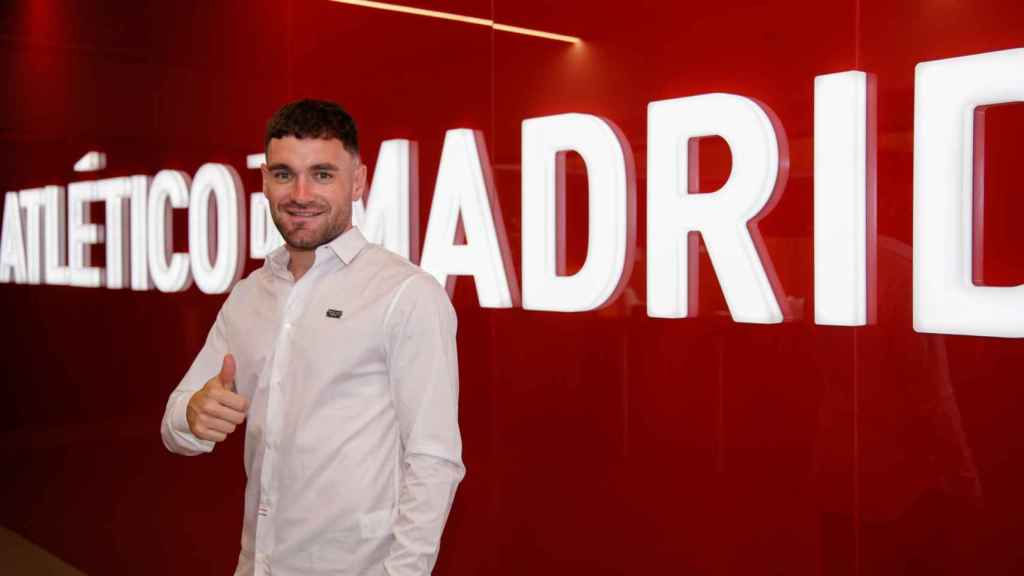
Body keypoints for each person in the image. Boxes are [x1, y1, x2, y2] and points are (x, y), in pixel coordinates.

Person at [160, 99, 464, 576]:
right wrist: (192, 415)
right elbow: (176, 425)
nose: (300, 193)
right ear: (264, 180)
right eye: (284, 174)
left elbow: (434, 459)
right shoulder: (248, 296)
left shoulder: (406, 294)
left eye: (322, 174)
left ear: (358, 182)